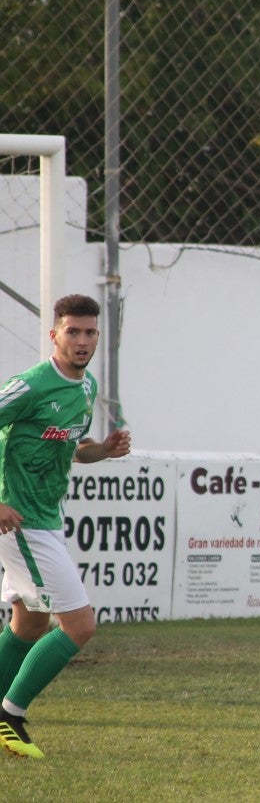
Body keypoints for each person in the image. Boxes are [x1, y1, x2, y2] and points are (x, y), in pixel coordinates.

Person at [0, 294, 132, 758]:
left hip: (47, 518)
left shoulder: (86, 387)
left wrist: (104, 451)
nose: (82, 340)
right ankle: (10, 715)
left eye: (90, 332)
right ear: (54, 333)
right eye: (72, 331)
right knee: (80, 624)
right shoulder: (29, 386)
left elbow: (74, 449)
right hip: (20, 521)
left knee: (30, 623)